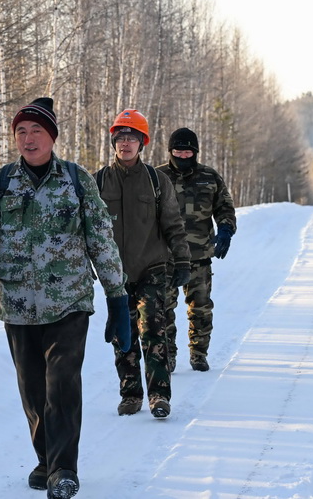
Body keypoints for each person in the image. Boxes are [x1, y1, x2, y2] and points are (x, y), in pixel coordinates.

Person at [0, 97, 131, 499]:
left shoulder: (76, 180)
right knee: (32, 390)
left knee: (61, 384)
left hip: (69, 302)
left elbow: (100, 238)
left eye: (36, 131)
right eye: (21, 132)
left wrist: (116, 296)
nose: (28, 139)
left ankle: (64, 469)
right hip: (18, 304)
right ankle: (47, 459)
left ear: (51, 137)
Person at [94, 109, 191, 419]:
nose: (126, 144)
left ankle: (159, 395)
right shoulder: (98, 182)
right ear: (113, 142)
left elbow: (174, 225)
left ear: (142, 142)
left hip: (153, 267)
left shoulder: (156, 180)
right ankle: (131, 394)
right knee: (123, 335)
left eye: (132, 138)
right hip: (115, 274)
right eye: (120, 138)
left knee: (152, 329)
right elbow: (87, 231)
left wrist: (183, 261)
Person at [156, 127, 236, 373]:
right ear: (170, 151)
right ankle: (167, 356)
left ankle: (199, 353)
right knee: (164, 311)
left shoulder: (209, 176)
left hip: (199, 255)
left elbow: (225, 207)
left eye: (188, 150)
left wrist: (226, 229)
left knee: (200, 308)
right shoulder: (156, 176)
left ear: (196, 152)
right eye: (178, 150)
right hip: (165, 256)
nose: (183, 154)